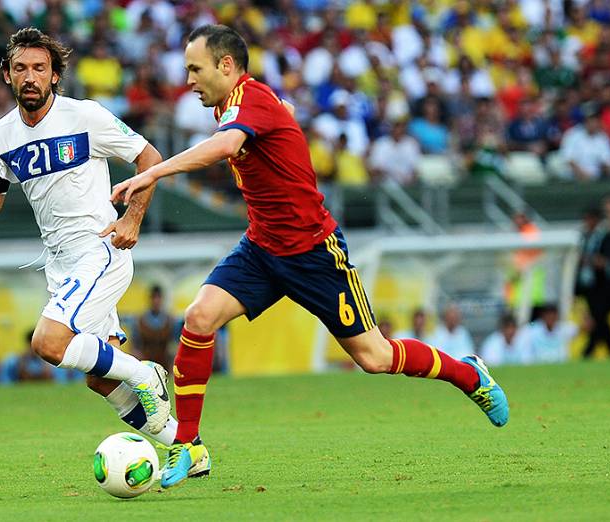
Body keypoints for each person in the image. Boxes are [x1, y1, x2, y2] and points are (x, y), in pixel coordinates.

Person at [111, 24, 508, 489]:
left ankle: (469, 375)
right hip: (261, 249)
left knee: (375, 357)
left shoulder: (249, 98)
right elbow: (271, 121)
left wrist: (151, 173)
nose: (188, 80)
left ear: (226, 65)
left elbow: (225, 146)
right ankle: (189, 445)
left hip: (314, 253)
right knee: (199, 318)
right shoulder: (238, 104)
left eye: (195, 69)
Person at [0, 28, 177, 448]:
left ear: (55, 76)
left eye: (39, 68)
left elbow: (149, 157)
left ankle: (146, 373)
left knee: (49, 343)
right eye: (20, 68)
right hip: (60, 261)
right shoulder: (1, 136)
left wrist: (132, 219)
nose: (29, 76)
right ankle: (185, 447)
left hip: (98, 248)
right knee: (100, 379)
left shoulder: (84, 117)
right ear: (6, 76)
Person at [575, 208, 610, 358]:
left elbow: (607, 263)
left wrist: (589, 259)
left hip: (602, 288)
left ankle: (588, 353)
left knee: (599, 319)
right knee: (599, 321)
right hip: (587, 287)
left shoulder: (605, 238)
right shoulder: (583, 238)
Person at [137, 286, 173, 370]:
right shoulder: (141, 320)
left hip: (164, 361)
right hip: (146, 360)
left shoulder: (169, 319)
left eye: (158, 298)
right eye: (154, 298)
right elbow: (136, 345)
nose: (156, 301)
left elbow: (173, 343)